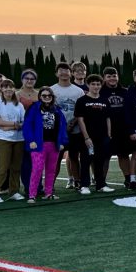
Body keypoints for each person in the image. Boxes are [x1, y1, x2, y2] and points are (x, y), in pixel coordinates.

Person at [22, 87, 68, 202]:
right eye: (44, 95)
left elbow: (63, 126)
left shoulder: (57, 110)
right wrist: (30, 140)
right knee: (37, 169)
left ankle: (49, 193)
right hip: (38, 145)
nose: (47, 97)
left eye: (49, 96)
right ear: (40, 97)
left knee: (51, 170)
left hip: (54, 145)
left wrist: (62, 141)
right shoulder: (34, 108)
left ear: (52, 97)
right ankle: (32, 194)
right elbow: (27, 125)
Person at [74, 74, 114, 193]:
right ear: (88, 85)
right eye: (93, 84)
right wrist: (86, 137)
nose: (96, 86)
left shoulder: (104, 100)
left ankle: (100, 184)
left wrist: (109, 134)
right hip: (87, 137)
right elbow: (80, 120)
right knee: (86, 160)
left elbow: (108, 118)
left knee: (100, 161)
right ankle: (84, 185)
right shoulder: (82, 101)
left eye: (98, 84)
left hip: (102, 136)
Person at [50, 62, 85, 190]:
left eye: (66, 70)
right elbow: (47, 110)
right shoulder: (52, 90)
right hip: (57, 132)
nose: (64, 73)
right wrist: (61, 125)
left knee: (74, 157)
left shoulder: (78, 91)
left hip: (74, 131)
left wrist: (73, 122)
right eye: (61, 71)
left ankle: (77, 182)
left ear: (71, 73)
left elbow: (81, 110)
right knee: (56, 159)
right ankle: (50, 184)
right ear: (56, 73)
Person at [100, 67, 129, 189]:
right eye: (109, 76)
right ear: (104, 78)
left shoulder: (125, 91)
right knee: (105, 156)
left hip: (122, 129)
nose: (112, 78)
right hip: (106, 130)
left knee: (123, 155)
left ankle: (129, 179)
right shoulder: (100, 92)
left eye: (114, 76)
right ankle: (101, 181)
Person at [0, 80, 26, 202]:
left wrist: (9, 126)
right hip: (3, 139)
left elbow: (23, 122)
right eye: (5, 87)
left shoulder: (19, 104)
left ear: (14, 89)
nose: (8, 89)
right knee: (3, 168)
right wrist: (14, 124)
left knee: (16, 167)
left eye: (11, 87)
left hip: (19, 139)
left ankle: (14, 191)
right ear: (2, 89)